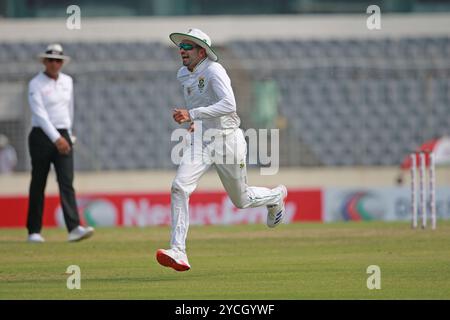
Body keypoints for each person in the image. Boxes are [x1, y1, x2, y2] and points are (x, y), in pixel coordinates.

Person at [156, 29, 287, 271]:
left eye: (188, 47)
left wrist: (192, 115)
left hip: (228, 140)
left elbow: (229, 104)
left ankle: (275, 196)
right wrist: (196, 123)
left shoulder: (215, 70)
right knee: (179, 187)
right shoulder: (183, 73)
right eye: (181, 47)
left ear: (202, 51)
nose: (182, 51)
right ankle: (178, 251)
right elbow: (200, 102)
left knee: (241, 200)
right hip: (202, 141)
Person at [26, 43, 94, 243]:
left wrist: (68, 133)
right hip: (41, 135)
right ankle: (34, 231)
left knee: (66, 181)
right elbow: (39, 115)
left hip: (63, 133)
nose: (55, 64)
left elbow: (68, 109)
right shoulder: (35, 84)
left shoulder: (67, 81)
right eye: (51, 60)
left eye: (58, 61)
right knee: (38, 182)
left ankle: (74, 228)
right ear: (44, 62)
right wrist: (56, 138)